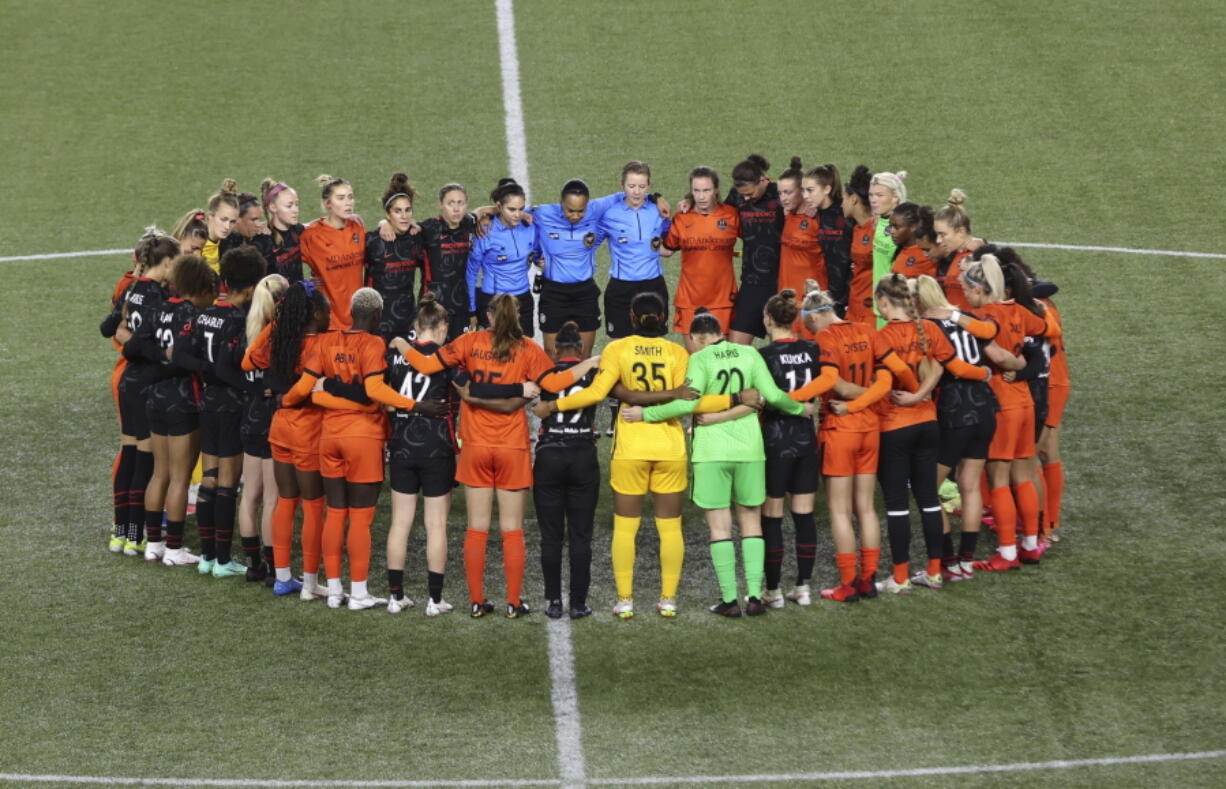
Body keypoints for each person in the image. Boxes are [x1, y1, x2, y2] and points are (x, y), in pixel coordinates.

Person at [392, 293, 597, 618]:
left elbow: (428, 364)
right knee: (512, 529)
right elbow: (556, 383)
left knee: (477, 528)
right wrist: (589, 362)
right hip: (511, 445)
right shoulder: (528, 347)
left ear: (489, 317)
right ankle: (513, 603)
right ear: (515, 317)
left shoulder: (469, 341)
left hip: (475, 444)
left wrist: (402, 345)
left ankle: (477, 601)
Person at [533, 291, 734, 619]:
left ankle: (625, 601)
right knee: (670, 528)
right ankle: (668, 599)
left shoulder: (617, 349)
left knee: (626, 528)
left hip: (631, 448)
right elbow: (694, 400)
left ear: (631, 316)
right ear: (663, 316)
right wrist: (734, 399)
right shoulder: (677, 352)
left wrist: (554, 405)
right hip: (669, 446)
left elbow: (596, 393)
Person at [625, 310, 809, 617]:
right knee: (751, 520)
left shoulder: (699, 360)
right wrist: (800, 409)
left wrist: (646, 414)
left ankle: (729, 600)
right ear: (720, 331)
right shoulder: (749, 353)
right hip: (750, 450)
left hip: (712, 452)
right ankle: (753, 595)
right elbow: (774, 395)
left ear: (697, 338)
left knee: (720, 527)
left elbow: (687, 404)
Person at [287, 288, 443, 610]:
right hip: (363, 439)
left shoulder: (327, 341)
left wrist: (306, 395)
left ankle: (332, 591)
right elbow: (373, 391)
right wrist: (415, 406)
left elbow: (312, 393)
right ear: (375, 315)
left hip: (329, 436)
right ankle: (358, 593)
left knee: (334, 514)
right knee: (360, 519)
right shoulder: (373, 344)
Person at [868, 273, 991, 593]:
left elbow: (893, 374)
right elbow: (949, 367)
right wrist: (924, 395)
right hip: (929, 424)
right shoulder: (928, 330)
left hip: (895, 427)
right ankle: (935, 573)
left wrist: (911, 394)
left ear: (884, 301)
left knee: (896, 505)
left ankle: (899, 578)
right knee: (930, 502)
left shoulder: (882, 337)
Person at [786, 283, 907, 602]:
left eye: (807, 323)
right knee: (865, 508)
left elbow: (828, 380)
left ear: (815, 317)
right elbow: (894, 373)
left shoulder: (826, 337)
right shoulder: (869, 330)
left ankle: (848, 583)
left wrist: (786, 399)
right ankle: (868, 580)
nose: (807, 330)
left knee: (840, 511)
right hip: (870, 427)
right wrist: (913, 393)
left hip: (840, 428)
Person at [704, 290, 820, 607]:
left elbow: (754, 400)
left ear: (767, 319)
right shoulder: (812, 349)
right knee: (804, 514)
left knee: (771, 516)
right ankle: (804, 588)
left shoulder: (763, 356)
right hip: (806, 439)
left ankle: (773, 591)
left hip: (774, 439)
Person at [911, 274, 1020, 580]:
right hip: (985, 407)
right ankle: (966, 561)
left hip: (954, 410)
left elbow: (931, 372)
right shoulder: (966, 318)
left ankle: (946, 562)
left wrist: (917, 395)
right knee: (970, 485)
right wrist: (1024, 366)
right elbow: (997, 352)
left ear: (918, 301)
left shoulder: (926, 327)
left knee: (926, 489)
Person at [961, 254, 1060, 571]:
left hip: (1000, 403)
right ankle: (1031, 545)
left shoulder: (985, 316)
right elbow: (1045, 328)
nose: (965, 294)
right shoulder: (1020, 310)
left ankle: (1005, 554)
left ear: (979, 288)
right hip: (1025, 402)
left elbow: (985, 337)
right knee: (1024, 474)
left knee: (999, 479)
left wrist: (955, 317)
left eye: (967, 288)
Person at [244, 280, 331, 599]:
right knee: (312, 507)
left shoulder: (282, 340)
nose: (330, 315)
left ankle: (282, 577)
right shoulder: (322, 344)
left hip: (279, 429)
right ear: (316, 313)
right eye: (326, 310)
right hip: (309, 432)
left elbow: (248, 360)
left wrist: (277, 325)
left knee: (285, 502)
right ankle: (309, 583)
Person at [190, 246, 267, 578]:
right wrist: (251, 387)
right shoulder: (239, 319)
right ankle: (222, 559)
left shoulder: (205, 313)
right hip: (231, 403)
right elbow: (229, 367)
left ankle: (207, 556)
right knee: (227, 484)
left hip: (206, 402)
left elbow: (190, 355)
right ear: (251, 287)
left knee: (209, 479)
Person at [383, 293, 458, 616]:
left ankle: (395, 596)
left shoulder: (396, 356)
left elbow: (386, 401)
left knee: (400, 522)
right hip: (436, 444)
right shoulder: (446, 357)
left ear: (416, 326)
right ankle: (435, 599)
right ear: (441, 326)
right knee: (436, 524)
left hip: (401, 441)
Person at [106, 230, 180, 556]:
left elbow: (109, 327)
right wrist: (163, 355)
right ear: (165, 263)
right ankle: (137, 536)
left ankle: (121, 532)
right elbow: (150, 344)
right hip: (147, 383)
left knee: (129, 458)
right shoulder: (157, 298)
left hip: (128, 382)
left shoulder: (134, 289)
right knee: (144, 463)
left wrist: (129, 340)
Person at [144, 254, 218, 566]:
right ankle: (174, 549)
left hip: (155, 396)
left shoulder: (161, 306)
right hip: (183, 400)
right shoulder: (192, 314)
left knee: (159, 473)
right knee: (180, 478)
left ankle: (153, 544)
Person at [237, 274, 288, 582]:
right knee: (272, 499)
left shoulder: (248, 328)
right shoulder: (278, 336)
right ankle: (272, 568)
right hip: (272, 419)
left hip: (250, 416)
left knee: (249, 496)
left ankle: (253, 564)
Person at [665, 166, 740, 349]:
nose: (701, 196)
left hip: (723, 300)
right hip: (689, 300)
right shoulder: (682, 218)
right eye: (696, 191)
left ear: (716, 190)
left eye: (706, 190)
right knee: (696, 360)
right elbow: (666, 250)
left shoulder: (731, 215)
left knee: (723, 359)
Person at [596, 161, 672, 340]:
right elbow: (591, 244)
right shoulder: (609, 214)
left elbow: (668, 249)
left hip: (653, 287)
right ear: (621, 185)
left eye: (642, 186)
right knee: (620, 348)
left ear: (649, 186)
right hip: (621, 289)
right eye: (631, 186)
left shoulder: (659, 211)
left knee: (654, 348)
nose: (637, 191)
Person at [533, 179, 605, 357]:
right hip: (554, 293)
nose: (575, 215)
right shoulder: (543, 213)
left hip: (585, 292)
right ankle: (553, 385)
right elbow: (510, 209)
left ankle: (581, 386)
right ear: (561, 204)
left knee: (584, 352)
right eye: (570, 210)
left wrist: (655, 198)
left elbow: (624, 196)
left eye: (581, 211)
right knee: (551, 352)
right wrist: (485, 212)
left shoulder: (595, 211)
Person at [724, 154, 784, 345]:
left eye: (750, 193)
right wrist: (689, 201)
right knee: (735, 348)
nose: (747, 198)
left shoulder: (780, 194)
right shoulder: (737, 196)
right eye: (743, 195)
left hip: (782, 282)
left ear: (762, 181)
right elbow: (718, 214)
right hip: (752, 281)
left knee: (784, 347)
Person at [466, 179, 538, 338]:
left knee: (523, 354)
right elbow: (471, 274)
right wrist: (471, 309)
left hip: (523, 299)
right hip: (494, 301)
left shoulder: (530, 225)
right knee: (494, 355)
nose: (517, 214)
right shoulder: (484, 231)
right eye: (511, 209)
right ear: (498, 207)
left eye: (521, 209)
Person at [300, 174, 364, 329]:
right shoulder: (312, 235)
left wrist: (384, 224)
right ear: (327, 203)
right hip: (328, 320)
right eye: (341, 198)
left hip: (358, 318)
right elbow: (284, 259)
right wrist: (304, 284)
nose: (348, 203)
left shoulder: (358, 227)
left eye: (350, 197)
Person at [366, 173, 424, 342]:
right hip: (378, 322)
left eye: (408, 210)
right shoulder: (373, 241)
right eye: (397, 211)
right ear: (387, 214)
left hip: (408, 320)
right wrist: (382, 224)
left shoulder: (416, 238)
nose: (404, 216)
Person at [418, 183, 478, 341]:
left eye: (461, 203)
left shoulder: (467, 225)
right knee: (433, 359)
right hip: (433, 308)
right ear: (440, 205)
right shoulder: (429, 229)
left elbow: (483, 212)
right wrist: (385, 224)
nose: (456, 209)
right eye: (451, 203)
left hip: (461, 307)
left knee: (459, 359)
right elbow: (402, 228)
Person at [804, 164, 852, 311]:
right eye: (803, 190)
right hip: (825, 295)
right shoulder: (816, 214)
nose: (805, 196)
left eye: (810, 190)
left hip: (846, 297)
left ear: (827, 189)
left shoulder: (845, 214)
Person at [776, 158, 823, 297]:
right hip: (787, 295)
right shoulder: (786, 214)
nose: (783, 198)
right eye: (780, 193)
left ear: (802, 191)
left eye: (788, 192)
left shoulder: (818, 217)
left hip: (811, 298)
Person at [933, 189, 984, 311]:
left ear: (961, 232)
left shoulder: (977, 258)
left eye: (943, 234)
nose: (938, 240)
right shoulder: (955, 254)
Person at [868, 170, 907, 324]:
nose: (873, 200)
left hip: (896, 306)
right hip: (881, 305)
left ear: (895, 198)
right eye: (871, 195)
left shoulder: (902, 227)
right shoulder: (880, 220)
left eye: (879, 195)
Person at [842, 166, 876, 326]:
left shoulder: (880, 229)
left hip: (872, 310)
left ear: (853, 199)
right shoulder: (856, 228)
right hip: (855, 305)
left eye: (844, 199)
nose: (841, 204)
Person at [260, 179, 305, 282]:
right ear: (273, 207)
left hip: (298, 296)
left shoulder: (298, 230)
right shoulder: (263, 239)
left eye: (296, 204)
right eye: (289, 206)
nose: (296, 210)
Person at [219, 190, 275, 269]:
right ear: (236, 219)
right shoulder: (223, 243)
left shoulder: (247, 237)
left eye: (259, 219)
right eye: (253, 220)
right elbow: (245, 271)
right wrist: (260, 243)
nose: (258, 224)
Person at [887, 203, 938, 279]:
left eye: (896, 227)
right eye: (890, 226)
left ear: (913, 227)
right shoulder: (902, 249)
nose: (891, 231)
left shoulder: (926, 255)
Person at [200, 179, 241, 272]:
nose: (227, 227)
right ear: (210, 216)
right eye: (223, 219)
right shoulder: (194, 245)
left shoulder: (234, 244)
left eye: (232, 222)